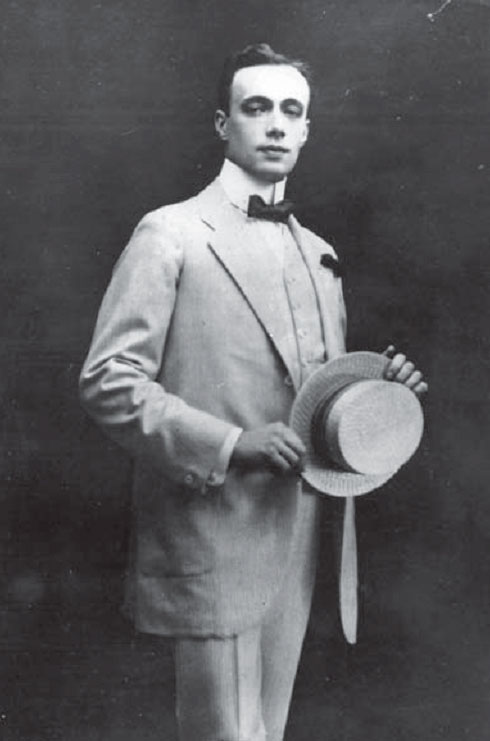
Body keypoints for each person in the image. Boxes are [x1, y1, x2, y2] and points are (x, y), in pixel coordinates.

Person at [79, 43, 427, 741]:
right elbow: (108, 379)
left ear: (307, 130)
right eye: (257, 107)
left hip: (301, 531)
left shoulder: (321, 254)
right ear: (223, 123)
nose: (275, 124)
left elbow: (315, 392)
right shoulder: (171, 232)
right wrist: (232, 444)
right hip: (212, 528)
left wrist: (380, 394)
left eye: (291, 111)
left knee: (266, 731)